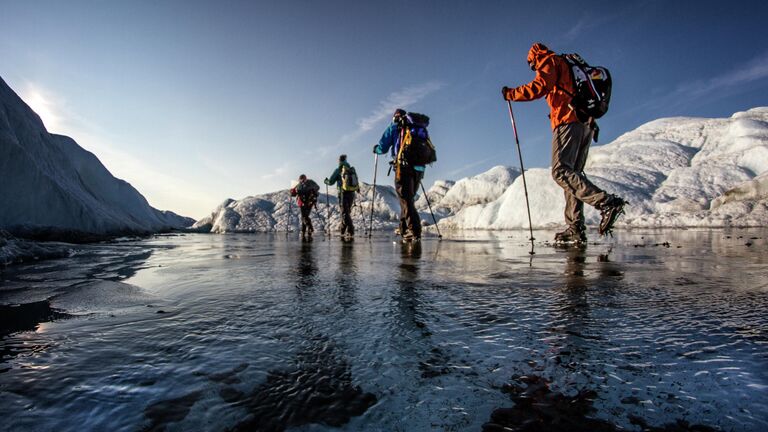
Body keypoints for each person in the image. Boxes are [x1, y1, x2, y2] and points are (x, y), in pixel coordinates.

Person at [502, 42, 626, 243]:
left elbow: (540, 86)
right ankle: (575, 228)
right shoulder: (569, 65)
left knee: (560, 171)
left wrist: (511, 94)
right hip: (584, 123)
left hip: (567, 121)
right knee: (572, 175)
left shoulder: (549, 61)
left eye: (531, 65)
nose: (533, 69)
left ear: (534, 57)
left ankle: (606, 203)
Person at [374, 109, 424, 241]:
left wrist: (376, 149)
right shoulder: (416, 127)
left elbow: (383, 147)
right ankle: (404, 229)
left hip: (403, 167)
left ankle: (414, 231)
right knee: (407, 199)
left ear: (395, 116)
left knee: (405, 200)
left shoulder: (395, 126)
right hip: (419, 168)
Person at [324, 154, 356, 238]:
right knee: (346, 212)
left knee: (344, 213)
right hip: (352, 193)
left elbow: (331, 182)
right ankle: (342, 229)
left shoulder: (338, 170)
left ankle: (350, 230)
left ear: (339, 161)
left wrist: (326, 181)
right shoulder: (350, 169)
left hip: (343, 193)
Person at [290, 174, 320, 238]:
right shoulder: (298, 185)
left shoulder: (310, 182)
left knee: (305, 216)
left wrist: (312, 189)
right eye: (301, 179)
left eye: (303, 179)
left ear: (306, 178)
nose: (302, 180)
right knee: (304, 216)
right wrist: (292, 192)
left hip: (310, 201)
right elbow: (294, 194)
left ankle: (309, 229)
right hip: (301, 202)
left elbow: (317, 187)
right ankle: (305, 231)